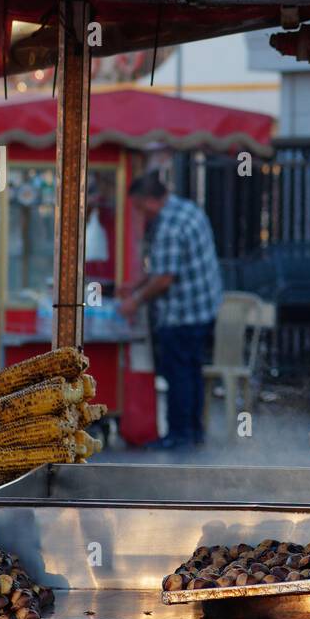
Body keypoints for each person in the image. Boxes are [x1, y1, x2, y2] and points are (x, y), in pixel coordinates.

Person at [120, 172, 222, 449]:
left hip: (182, 313)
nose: (141, 215)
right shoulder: (186, 209)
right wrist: (138, 283)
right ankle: (194, 431)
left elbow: (165, 279)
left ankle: (179, 435)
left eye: (139, 208)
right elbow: (168, 266)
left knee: (178, 375)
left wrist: (135, 300)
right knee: (192, 371)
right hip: (203, 308)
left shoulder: (167, 226)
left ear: (149, 202)